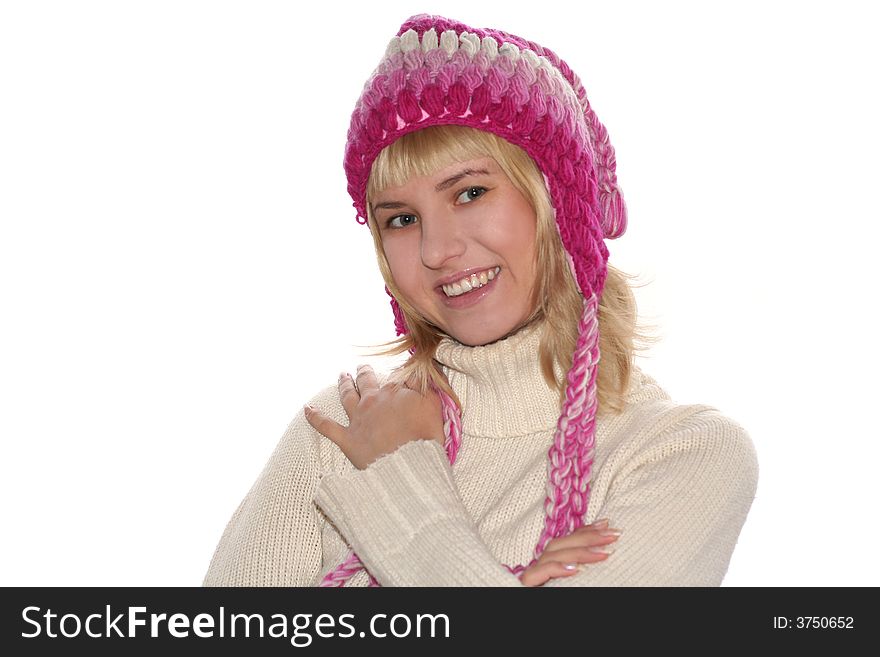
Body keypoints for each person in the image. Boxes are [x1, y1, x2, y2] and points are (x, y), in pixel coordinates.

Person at [202, 13, 758, 587]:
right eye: (401, 219)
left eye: (470, 192)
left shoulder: (679, 454)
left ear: (560, 201)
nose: (438, 250)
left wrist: (400, 474)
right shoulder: (341, 428)